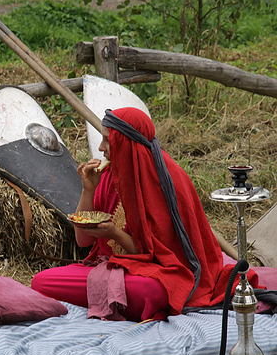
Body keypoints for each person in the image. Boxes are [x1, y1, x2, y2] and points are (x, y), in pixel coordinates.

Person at [32, 107, 260, 321]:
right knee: (41, 281)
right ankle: (121, 301)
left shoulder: (167, 180)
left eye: (107, 140)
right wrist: (88, 190)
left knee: (152, 292)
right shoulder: (109, 175)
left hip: (155, 273)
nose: (101, 148)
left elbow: (166, 258)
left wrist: (115, 234)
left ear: (126, 143)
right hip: (112, 268)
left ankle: (124, 301)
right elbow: (84, 241)